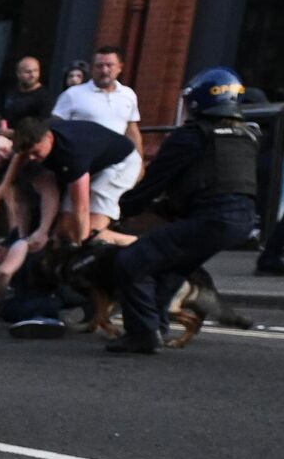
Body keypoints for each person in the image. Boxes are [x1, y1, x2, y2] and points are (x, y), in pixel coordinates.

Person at [102, 68, 261, 354]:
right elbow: (215, 182)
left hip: (211, 219)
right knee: (170, 266)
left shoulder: (191, 136)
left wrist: (121, 211)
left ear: (199, 100)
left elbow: (155, 181)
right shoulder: (246, 135)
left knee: (131, 261)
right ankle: (156, 326)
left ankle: (142, 334)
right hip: (242, 219)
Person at [1, 115, 139, 250]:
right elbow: (18, 155)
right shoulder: (38, 131)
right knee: (65, 229)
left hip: (119, 165)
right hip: (93, 163)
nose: (31, 158)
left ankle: (139, 245)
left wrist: (82, 243)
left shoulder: (72, 155)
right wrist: (2, 187)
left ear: (48, 137)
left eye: (35, 152)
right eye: (27, 155)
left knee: (91, 232)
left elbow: (81, 207)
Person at [52, 46, 144, 157]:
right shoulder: (73, 94)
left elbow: (131, 130)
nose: (104, 70)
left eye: (109, 65)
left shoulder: (128, 94)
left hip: (117, 163)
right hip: (81, 161)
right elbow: (56, 126)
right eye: (99, 66)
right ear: (92, 69)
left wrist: (139, 161)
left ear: (120, 67)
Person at [0, 55, 52, 126]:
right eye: (28, 72)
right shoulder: (11, 91)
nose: (33, 75)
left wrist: (12, 134)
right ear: (18, 74)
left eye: (36, 71)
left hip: (26, 135)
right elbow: (1, 113)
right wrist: (2, 123)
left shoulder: (44, 97)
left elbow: (41, 126)